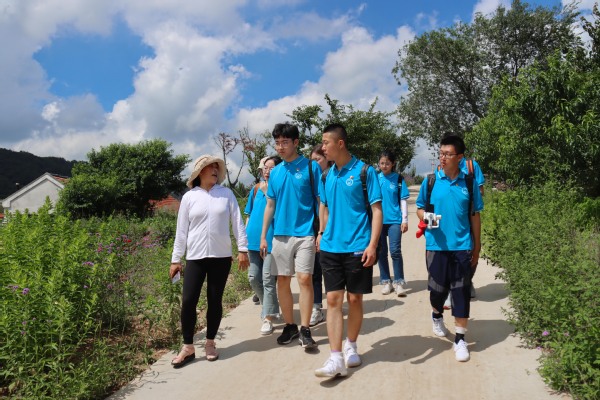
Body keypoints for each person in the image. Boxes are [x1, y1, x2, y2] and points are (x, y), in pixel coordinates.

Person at [314, 123, 382, 378]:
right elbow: (324, 207)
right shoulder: (326, 175)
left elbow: (376, 210)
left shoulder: (365, 172)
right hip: (331, 247)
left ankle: (351, 345)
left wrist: (372, 245)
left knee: (354, 299)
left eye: (326, 143)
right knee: (333, 300)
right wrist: (321, 233)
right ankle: (335, 358)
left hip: (357, 246)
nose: (323, 147)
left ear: (340, 143)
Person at [169, 155, 250, 368]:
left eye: (217, 167)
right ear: (200, 172)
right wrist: (175, 259)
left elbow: (237, 222)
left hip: (221, 257)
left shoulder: (226, 194)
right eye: (210, 167)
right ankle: (188, 346)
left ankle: (210, 342)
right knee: (188, 301)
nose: (215, 170)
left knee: (215, 300)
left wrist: (242, 248)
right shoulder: (189, 197)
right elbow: (181, 231)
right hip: (195, 257)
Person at [415, 135, 483, 362]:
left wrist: (477, 246)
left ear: (459, 157)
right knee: (437, 291)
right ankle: (436, 315)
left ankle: (460, 339)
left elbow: (475, 216)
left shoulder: (469, 183)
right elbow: (419, 208)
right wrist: (427, 217)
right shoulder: (431, 181)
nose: (442, 158)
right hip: (436, 246)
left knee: (461, 291)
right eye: (441, 153)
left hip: (462, 246)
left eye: (447, 154)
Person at [260, 123, 322, 349]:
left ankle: (305, 328)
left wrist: (321, 232)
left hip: (305, 232)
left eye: (284, 142)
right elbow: (270, 205)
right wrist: (264, 236)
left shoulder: (311, 167)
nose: (280, 147)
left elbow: (320, 201)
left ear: (296, 142)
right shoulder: (275, 172)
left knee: (305, 278)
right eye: (277, 143)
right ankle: (290, 326)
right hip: (280, 235)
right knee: (283, 281)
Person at [245, 155, 282, 335]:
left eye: (272, 168)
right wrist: (243, 241)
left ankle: (268, 317)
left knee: (268, 279)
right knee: (253, 277)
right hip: (252, 240)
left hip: (271, 240)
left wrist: (269, 193)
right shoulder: (255, 189)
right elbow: (248, 215)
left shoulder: (281, 189)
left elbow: (280, 211)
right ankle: (269, 306)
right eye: (265, 168)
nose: (267, 171)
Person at [443, 152, 486, 308]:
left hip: (468, 216)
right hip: (450, 219)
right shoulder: (442, 167)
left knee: (473, 250)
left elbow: (480, 190)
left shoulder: (471, 166)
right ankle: (450, 290)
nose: (445, 156)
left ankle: (467, 280)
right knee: (449, 253)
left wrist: (467, 193)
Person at [377, 150, 410, 297]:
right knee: (381, 252)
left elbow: (403, 200)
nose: (384, 166)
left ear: (393, 164)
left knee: (395, 251)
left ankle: (399, 282)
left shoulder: (398, 179)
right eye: (382, 163)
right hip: (378, 221)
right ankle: (386, 281)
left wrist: (405, 220)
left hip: (395, 220)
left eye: (387, 163)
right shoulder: (375, 178)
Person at [309, 144, 333, 327]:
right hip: (316, 227)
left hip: (334, 228)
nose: (314, 164)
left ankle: (334, 303)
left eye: (317, 159)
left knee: (331, 270)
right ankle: (317, 308)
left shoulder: (334, 176)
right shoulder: (311, 177)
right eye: (312, 160)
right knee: (315, 269)